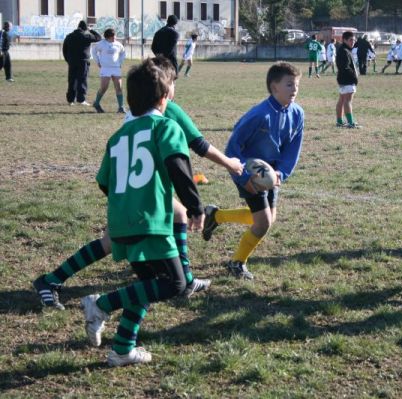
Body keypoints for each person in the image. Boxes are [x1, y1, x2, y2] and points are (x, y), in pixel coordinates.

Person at [32, 56, 243, 310]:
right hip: (142, 191)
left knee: (176, 217)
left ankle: (184, 280)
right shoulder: (168, 111)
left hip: (125, 187)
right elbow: (199, 145)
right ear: (165, 90)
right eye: (173, 82)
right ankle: (53, 280)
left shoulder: (135, 112)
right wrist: (230, 164)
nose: (175, 88)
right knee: (119, 242)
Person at [81, 58, 204, 367]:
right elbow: (179, 167)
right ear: (165, 97)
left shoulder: (118, 136)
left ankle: (122, 349)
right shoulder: (166, 126)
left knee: (145, 286)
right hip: (150, 222)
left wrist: (127, 205)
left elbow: (105, 182)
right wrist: (195, 207)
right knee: (175, 284)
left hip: (123, 222)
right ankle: (101, 304)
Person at [200, 62, 304, 280]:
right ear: (274, 87)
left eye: (296, 85)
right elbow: (232, 148)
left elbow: (292, 149)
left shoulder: (297, 114)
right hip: (247, 172)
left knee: (267, 219)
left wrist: (280, 173)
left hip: (271, 175)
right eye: (289, 85)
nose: (294, 89)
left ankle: (215, 216)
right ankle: (237, 262)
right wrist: (244, 176)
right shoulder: (259, 115)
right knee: (263, 223)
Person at [62, 21, 101, 105]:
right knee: (82, 80)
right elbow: (98, 38)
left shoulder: (69, 36)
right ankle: (81, 99)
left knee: (72, 80)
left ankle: (70, 100)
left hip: (72, 61)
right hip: (83, 61)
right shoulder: (87, 36)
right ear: (85, 28)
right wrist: (91, 30)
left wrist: (67, 59)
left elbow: (64, 49)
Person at [92, 28, 126, 113]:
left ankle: (121, 107)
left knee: (119, 87)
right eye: (112, 36)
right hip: (105, 68)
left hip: (116, 68)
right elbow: (94, 51)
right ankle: (96, 103)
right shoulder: (101, 44)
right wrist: (98, 61)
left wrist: (120, 62)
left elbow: (123, 53)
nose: (114, 38)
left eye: (115, 36)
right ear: (107, 37)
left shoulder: (118, 44)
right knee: (104, 88)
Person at [335, 31, 359, 128]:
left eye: (353, 40)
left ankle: (339, 121)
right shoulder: (344, 51)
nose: (352, 42)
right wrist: (354, 76)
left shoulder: (344, 49)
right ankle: (351, 123)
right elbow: (345, 67)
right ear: (344, 40)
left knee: (341, 100)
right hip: (347, 79)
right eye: (350, 40)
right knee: (347, 100)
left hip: (342, 78)